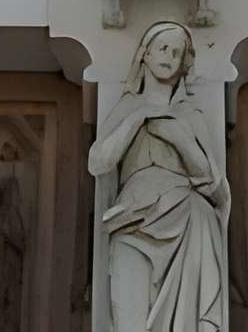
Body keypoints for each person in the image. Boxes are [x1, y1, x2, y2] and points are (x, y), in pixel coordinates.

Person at [89, 22, 227, 332]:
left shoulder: (190, 114)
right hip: (133, 222)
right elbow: (98, 162)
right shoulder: (129, 107)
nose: (169, 56)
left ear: (184, 63)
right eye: (163, 48)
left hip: (186, 221)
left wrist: (181, 140)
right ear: (145, 55)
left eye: (177, 52)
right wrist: (138, 118)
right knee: (128, 319)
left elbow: (209, 179)